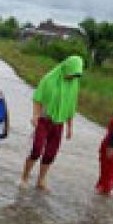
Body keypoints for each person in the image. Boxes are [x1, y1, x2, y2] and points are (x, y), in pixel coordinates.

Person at [22, 55, 83, 189]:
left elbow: (71, 105)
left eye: (76, 75)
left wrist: (70, 127)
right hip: (44, 120)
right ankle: (25, 177)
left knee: (51, 153)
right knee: (36, 149)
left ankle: (41, 180)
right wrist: (35, 116)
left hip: (58, 123)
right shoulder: (49, 79)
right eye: (72, 74)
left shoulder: (74, 83)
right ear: (66, 68)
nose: (72, 77)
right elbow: (38, 98)